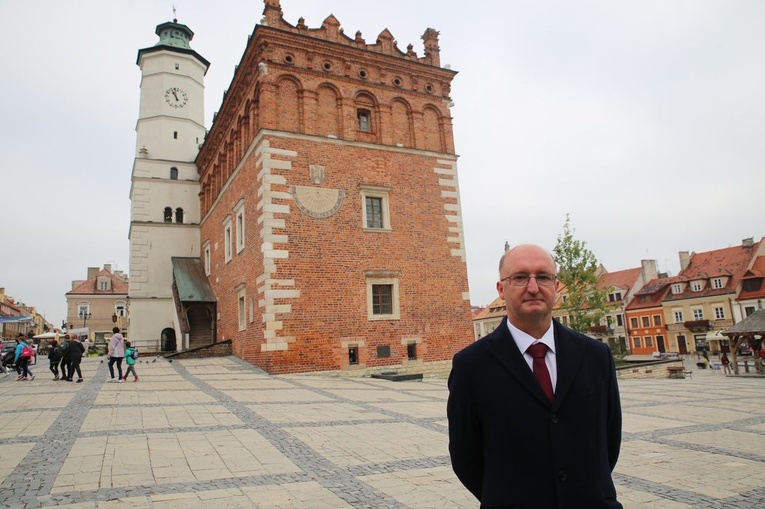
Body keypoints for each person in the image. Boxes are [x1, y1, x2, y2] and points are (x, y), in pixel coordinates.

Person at [447, 244, 623, 508]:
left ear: (555, 285)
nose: (533, 287)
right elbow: (465, 457)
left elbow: (610, 440)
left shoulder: (595, 356)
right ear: (501, 289)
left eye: (543, 277)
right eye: (519, 277)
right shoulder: (471, 365)